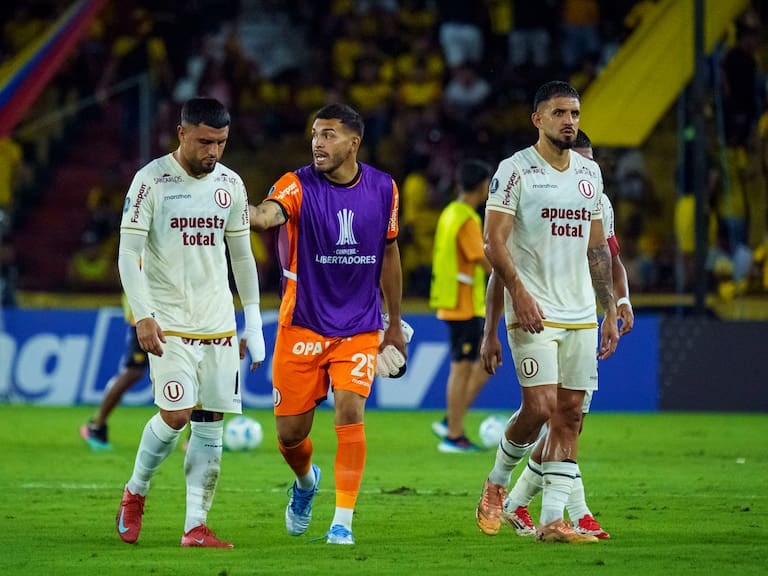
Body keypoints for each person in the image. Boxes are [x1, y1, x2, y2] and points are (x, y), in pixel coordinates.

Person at [248, 103, 406, 545]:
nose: (318, 142)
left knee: (350, 411)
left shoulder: (384, 188)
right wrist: (236, 208)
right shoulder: (296, 185)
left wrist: (393, 323)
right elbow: (266, 216)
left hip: (358, 326)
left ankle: (342, 522)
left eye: (330, 134)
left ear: (353, 142)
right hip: (301, 325)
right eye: (315, 133)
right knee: (290, 436)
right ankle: (304, 483)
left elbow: (390, 252)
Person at [114, 97, 266, 548]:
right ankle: (136, 490)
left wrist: (253, 323)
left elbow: (242, 257)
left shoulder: (231, 185)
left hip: (217, 323)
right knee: (177, 414)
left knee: (209, 420)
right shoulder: (150, 182)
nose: (212, 152)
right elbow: (127, 254)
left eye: (220, 142)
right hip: (169, 321)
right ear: (182, 134)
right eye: (204, 142)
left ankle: (195, 525)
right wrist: (143, 315)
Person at [475, 81, 619, 544]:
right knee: (539, 407)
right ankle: (497, 483)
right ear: (538, 119)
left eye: (574, 113)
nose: (570, 121)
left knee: (570, 414)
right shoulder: (515, 171)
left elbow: (598, 248)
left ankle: (553, 519)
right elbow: (493, 242)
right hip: (532, 308)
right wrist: (518, 292)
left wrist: (609, 311)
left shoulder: (589, 175)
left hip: (579, 312)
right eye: (559, 113)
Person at [429, 158, 493, 453]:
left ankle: (451, 420)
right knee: (463, 368)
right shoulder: (467, 218)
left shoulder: (449, 213)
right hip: (465, 304)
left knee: (482, 364)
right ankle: (453, 434)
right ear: (482, 186)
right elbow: (482, 260)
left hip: (452, 300)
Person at [80, 294, 148, 450]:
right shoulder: (136, 269)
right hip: (144, 321)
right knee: (133, 372)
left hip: (173, 322)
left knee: (191, 372)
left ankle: (194, 436)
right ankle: (97, 425)